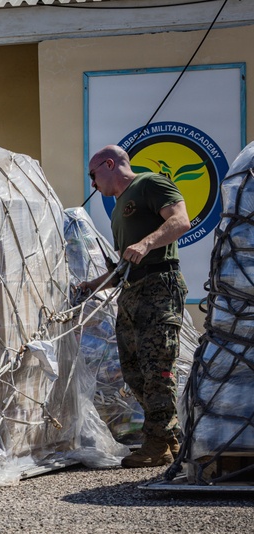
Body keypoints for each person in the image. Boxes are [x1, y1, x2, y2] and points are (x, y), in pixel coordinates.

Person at [78, 145, 191, 468]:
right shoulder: (118, 209)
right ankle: (168, 439)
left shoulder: (150, 184)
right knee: (134, 371)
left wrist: (147, 243)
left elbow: (180, 221)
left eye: (93, 175)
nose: (93, 183)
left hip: (158, 286)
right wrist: (92, 285)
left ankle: (156, 442)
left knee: (157, 368)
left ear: (109, 164)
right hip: (132, 291)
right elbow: (123, 266)